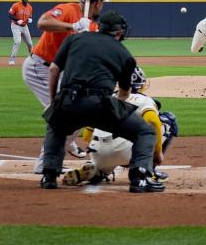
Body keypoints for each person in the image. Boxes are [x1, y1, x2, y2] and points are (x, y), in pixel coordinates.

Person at [39, 11, 165, 194]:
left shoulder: (74, 39)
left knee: (56, 125)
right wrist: (113, 116)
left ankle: (48, 177)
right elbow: (123, 94)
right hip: (99, 103)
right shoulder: (124, 53)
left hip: (68, 99)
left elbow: (53, 70)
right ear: (119, 32)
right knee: (144, 131)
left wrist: (54, 103)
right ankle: (140, 178)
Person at [22, 0, 109, 171]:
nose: (102, 6)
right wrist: (73, 26)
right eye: (102, 2)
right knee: (64, 113)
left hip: (60, 72)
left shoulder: (92, 24)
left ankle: (66, 141)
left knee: (81, 107)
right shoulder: (68, 10)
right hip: (40, 68)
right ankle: (46, 163)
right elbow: (42, 23)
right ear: (96, 2)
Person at [63, 64, 179, 187]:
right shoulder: (144, 100)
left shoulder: (106, 97)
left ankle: (98, 169)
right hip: (127, 152)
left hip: (97, 151)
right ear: (142, 83)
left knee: (108, 154)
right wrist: (158, 152)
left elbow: (87, 135)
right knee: (168, 121)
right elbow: (153, 121)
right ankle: (149, 170)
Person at [8, 0, 33, 65]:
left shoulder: (30, 7)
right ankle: (12, 59)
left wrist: (30, 19)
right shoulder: (16, 5)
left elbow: (30, 16)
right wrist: (17, 20)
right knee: (18, 42)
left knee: (30, 44)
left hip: (25, 27)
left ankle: (32, 58)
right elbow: (10, 15)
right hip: (15, 26)